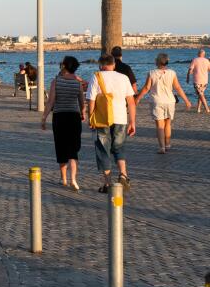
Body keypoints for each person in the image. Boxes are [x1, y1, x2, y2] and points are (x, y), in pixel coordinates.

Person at [87, 54, 136, 194]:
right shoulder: (124, 77)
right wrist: (132, 121)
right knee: (119, 148)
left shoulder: (96, 77)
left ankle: (108, 184)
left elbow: (91, 100)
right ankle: (123, 174)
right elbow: (131, 102)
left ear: (100, 65)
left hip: (102, 119)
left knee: (103, 150)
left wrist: (91, 118)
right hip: (121, 118)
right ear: (114, 64)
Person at [42, 56, 86, 191]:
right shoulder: (78, 83)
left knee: (61, 147)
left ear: (65, 66)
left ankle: (64, 179)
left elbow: (51, 101)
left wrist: (44, 118)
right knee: (73, 149)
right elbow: (81, 101)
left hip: (60, 117)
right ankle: (73, 179)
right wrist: (82, 113)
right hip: (74, 117)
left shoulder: (56, 81)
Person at [135, 53, 191, 154]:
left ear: (157, 61)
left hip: (157, 101)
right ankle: (168, 144)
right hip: (170, 101)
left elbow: (147, 88)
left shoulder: (151, 73)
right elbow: (177, 87)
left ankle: (162, 147)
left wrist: (138, 98)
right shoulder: (172, 73)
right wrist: (186, 100)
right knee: (168, 124)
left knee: (160, 125)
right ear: (167, 62)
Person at [186, 49, 210, 113]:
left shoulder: (195, 60)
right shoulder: (207, 61)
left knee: (200, 94)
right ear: (204, 54)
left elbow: (190, 69)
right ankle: (198, 109)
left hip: (197, 80)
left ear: (198, 54)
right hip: (205, 81)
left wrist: (188, 77)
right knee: (201, 94)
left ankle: (207, 108)